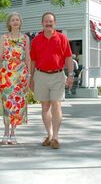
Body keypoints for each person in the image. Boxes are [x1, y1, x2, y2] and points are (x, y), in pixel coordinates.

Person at [30, 12, 74, 149]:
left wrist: (71, 74)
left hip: (58, 75)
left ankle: (55, 137)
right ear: (42, 23)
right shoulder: (36, 40)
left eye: (51, 21)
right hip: (41, 75)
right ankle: (49, 135)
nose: (48, 24)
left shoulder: (62, 38)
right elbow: (33, 61)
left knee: (56, 104)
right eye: (46, 21)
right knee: (45, 107)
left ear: (55, 23)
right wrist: (30, 78)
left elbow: (68, 58)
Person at [0, 12, 31, 145]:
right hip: (6, 75)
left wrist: (29, 76)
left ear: (20, 23)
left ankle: (13, 133)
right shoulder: (3, 37)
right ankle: (5, 132)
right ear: (9, 23)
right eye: (13, 20)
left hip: (20, 76)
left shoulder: (25, 38)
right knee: (6, 105)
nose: (15, 22)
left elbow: (27, 57)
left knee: (17, 105)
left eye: (17, 20)